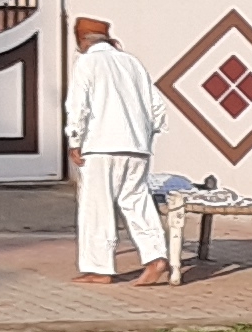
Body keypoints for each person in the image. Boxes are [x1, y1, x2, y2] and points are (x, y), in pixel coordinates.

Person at [64, 15, 171, 285]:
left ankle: (99, 269)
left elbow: (78, 105)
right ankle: (156, 256)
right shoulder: (132, 63)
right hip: (136, 147)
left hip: (100, 146)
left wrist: (74, 140)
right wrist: (145, 136)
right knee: (137, 201)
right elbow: (157, 107)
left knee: (96, 206)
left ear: (82, 40)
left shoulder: (87, 62)